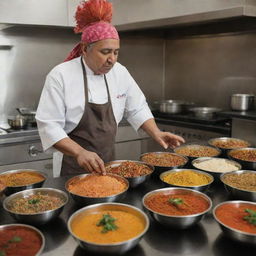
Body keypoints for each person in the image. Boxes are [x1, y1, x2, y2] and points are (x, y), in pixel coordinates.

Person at [36, 0, 185, 176]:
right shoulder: (61, 75)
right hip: (72, 165)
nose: (112, 59)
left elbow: (137, 107)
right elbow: (49, 126)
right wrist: (79, 152)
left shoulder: (120, 73)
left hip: (108, 165)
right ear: (85, 49)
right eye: (105, 52)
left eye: (116, 52)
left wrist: (156, 132)